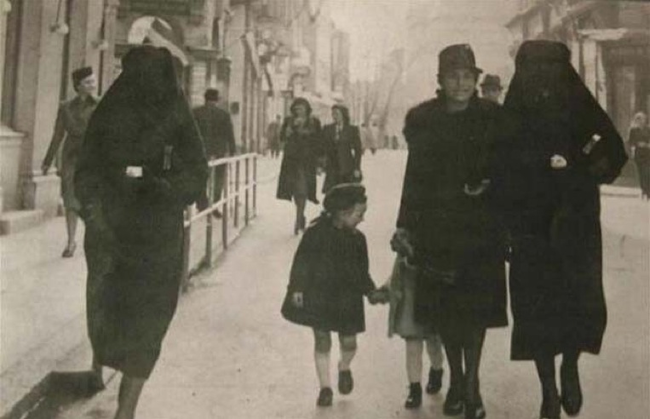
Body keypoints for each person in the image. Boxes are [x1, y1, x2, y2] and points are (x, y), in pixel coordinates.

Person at [75, 45, 208, 419]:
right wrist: (93, 211)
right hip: (111, 234)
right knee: (108, 317)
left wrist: (164, 187)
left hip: (159, 236)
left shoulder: (176, 115)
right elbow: (85, 170)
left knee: (150, 321)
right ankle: (102, 367)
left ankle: (126, 410)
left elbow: (198, 171)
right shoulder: (110, 112)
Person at [502, 40, 627, 419]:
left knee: (577, 301)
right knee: (535, 306)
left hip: (576, 224)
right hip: (529, 226)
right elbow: (497, 164)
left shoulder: (578, 102)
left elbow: (613, 150)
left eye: (550, 68)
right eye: (533, 68)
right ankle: (548, 389)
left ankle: (569, 366)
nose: (541, 78)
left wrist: (577, 168)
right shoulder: (513, 114)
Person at [394, 44, 510, 419]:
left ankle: (471, 385)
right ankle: (457, 380)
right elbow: (413, 178)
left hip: (482, 229)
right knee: (446, 313)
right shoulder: (424, 120)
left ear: (476, 80)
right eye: (452, 76)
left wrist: (490, 185)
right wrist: (404, 226)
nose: (460, 83)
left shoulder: (494, 117)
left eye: (467, 76)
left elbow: (510, 171)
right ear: (440, 81)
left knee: (476, 311)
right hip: (436, 230)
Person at [281, 183, 383, 407]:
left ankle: (344, 367)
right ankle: (325, 387)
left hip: (348, 299)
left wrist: (371, 291)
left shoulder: (358, 240)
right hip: (320, 295)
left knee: (349, 343)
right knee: (322, 339)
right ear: (343, 212)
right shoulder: (315, 234)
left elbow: (362, 272)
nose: (362, 219)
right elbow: (301, 263)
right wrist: (297, 288)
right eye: (359, 214)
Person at [383, 230, 444, 409]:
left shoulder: (434, 245)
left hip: (431, 298)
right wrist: (385, 291)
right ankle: (414, 388)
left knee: (434, 342)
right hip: (410, 301)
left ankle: (437, 369)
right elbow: (395, 277)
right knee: (412, 346)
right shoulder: (404, 249)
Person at [42, 66, 98, 258]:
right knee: (70, 200)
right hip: (71, 158)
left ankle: (93, 239)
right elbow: (57, 136)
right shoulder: (65, 107)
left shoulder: (100, 105)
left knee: (91, 200)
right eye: (88, 82)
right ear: (78, 86)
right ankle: (71, 241)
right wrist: (47, 161)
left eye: (93, 80)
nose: (93, 84)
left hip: (93, 158)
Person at [276, 97, 323, 235]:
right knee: (296, 190)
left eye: (301, 108)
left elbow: (319, 141)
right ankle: (300, 216)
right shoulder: (288, 121)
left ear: (306, 109)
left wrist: (320, 162)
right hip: (291, 161)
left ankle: (299, 217)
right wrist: (288, 131)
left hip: (307, 161)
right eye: (296, 108)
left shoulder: (314, 122)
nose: (298, 111)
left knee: (303, 189)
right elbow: (282, 138)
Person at [193, 88, 236, 218]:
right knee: (218, 179)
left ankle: (202, 205)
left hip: (201, 151)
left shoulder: (196, 113)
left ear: (205, 98)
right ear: (216, 100)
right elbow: (229, 134)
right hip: (219, 152)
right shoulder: (223, 114)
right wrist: (232, 150)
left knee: (200, 178)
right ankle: (215, 205)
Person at [322, 104, 363, 193]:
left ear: (343, 115)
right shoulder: (327, 129)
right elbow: (322, 148)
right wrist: (320, 164)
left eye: (337, 114)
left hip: (347, 167)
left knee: (347, 194)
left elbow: (358, 150)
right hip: (332, 168)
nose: (334, 116)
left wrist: (357, 168)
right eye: (333, 114)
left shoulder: (352, 130)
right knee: (331, 194)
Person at [629, 111, 650, 199]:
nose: (641, 121)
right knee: (641, 173)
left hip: (648, 153)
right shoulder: (633, 130)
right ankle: (643, 190)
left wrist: (647, 145)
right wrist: (634, 147)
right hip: (638, 154)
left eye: (642, 119)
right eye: (638, 119)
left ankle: (648, 191)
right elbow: (631, 142)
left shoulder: (648, 129)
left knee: (647, 172)